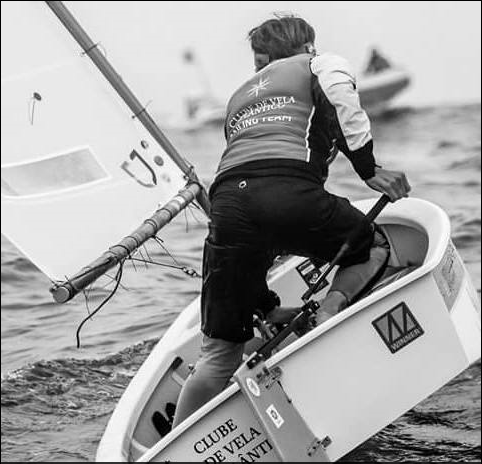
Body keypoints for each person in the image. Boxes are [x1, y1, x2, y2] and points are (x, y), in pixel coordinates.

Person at [172, 14, 411, 428]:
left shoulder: (240, 96)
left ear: (264, 58)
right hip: (288, 193)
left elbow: (254, 213)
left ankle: (171, 447)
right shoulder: (319, 63)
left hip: (227, 203)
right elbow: (342, 100)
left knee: (218, 355)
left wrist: (265, 306)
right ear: (307, 46)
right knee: (372, 245)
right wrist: (369, 169)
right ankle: (331, 311)